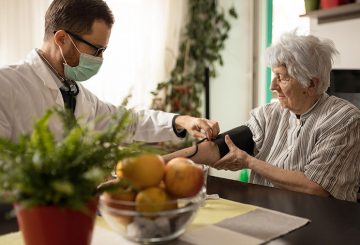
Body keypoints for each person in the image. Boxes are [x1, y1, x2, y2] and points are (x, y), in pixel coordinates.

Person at [164, 32, 360, 202]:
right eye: (273, 75)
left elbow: (316, 186)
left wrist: (249, 162)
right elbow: (218, 147)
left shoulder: (344, 119)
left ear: (310, 84)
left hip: (323, 225)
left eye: (282, 77)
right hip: (268, 212)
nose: (272, 86)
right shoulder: (269, 114)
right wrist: (161, 162)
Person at [0, 0, 219, 143]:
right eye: (96, 49)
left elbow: (129, 121)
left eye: (103, 50)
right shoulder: (7, 86)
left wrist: (181, 121)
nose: (100, 59)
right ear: (61, 39)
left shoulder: (78, 96)